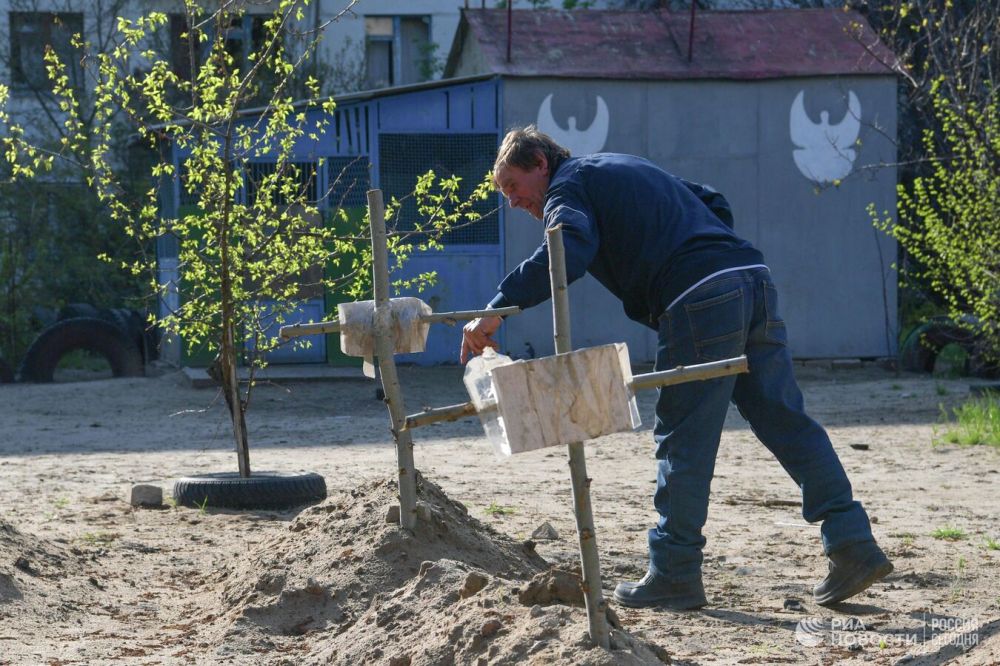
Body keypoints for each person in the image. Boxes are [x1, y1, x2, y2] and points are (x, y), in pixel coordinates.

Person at [460, 125, 892, 610]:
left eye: (513, 187)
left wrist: (496, 308)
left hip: (700, 299)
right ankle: (853, 543)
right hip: (751, 280)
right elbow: (713, 202)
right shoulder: (619, 165)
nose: (513, 202)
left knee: (683, 436)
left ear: (540, 163)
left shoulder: (568, 186)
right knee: (785, 420)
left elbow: (568, 248)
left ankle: (674, 572)